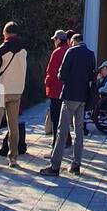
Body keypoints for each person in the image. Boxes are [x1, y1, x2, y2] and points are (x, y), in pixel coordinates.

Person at [39, 32, 96, 178]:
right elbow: (92, 76)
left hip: (69, 95)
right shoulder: (91, 54)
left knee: (62, 131)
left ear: (72, 41)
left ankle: (55, 165)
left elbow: (61, 75)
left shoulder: (71, 51)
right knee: (79, 132)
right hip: (83, 97)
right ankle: (76, 165)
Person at [0, 21, 27, 171]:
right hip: (17, 90)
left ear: (6, 33)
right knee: (13, 125)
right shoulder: (24, 50)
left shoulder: (1, 50)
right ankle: (13, 158)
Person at [44, 30, 71, 140]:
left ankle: (56, 140)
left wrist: (47, 83)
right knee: (65, 117)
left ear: (58, 40)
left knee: (55, 117)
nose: (54, 42)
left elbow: (51, 72)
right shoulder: (70, 51)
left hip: (56, 89)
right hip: (68, 89)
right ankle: (67, 140)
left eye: (54, 39)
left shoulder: (57, 52)